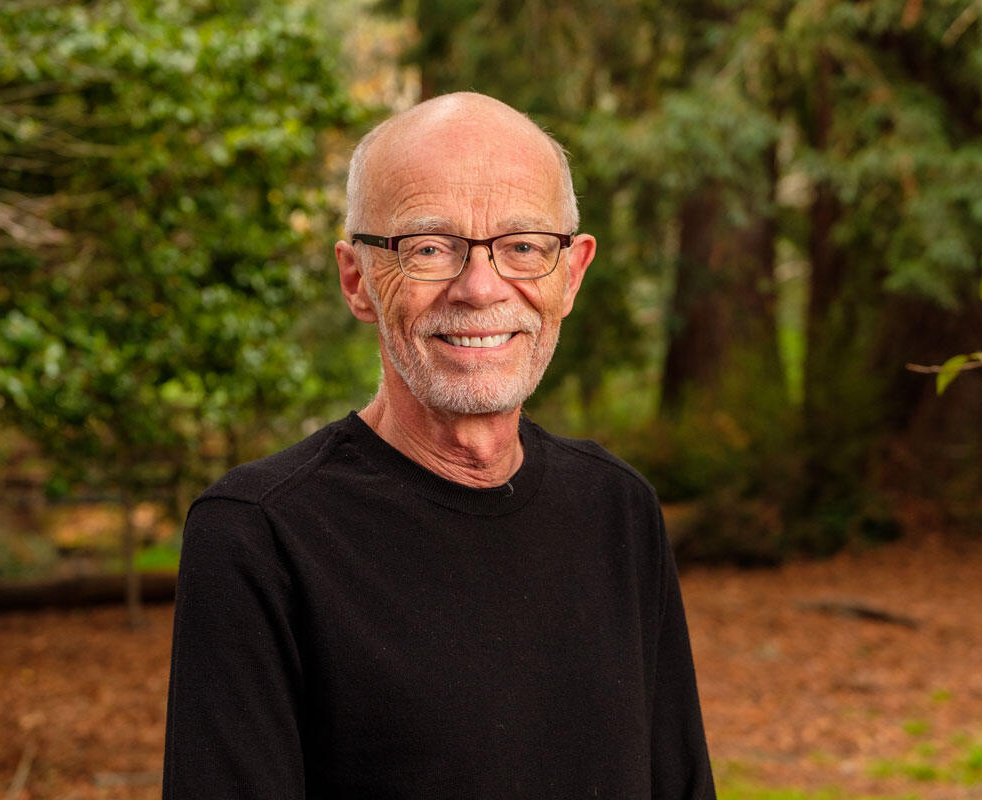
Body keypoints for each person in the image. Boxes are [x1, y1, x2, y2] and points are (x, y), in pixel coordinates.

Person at [163, 92, 715, 799]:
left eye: (523, 247)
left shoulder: (619, 509)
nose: (481, 288)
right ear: (357, 279)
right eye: (429, 248)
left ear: (570, 274)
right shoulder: (256, 536)